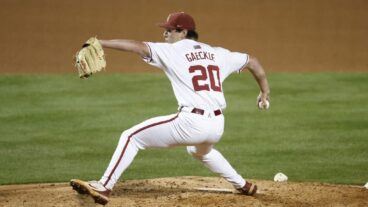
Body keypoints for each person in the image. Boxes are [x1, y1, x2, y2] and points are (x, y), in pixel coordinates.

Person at [70, 12, 270, 205]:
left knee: (132, 137)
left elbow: (136, 46)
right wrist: (264, 92)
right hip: (217, 126)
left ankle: (104, 186)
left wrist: (101, 43)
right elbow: (252, 61)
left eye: (170, 30)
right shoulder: (218, 53)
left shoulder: (173, 50)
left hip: (191, 123)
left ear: (183, 33)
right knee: (201, 152)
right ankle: (244, 185)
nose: (165, 34)